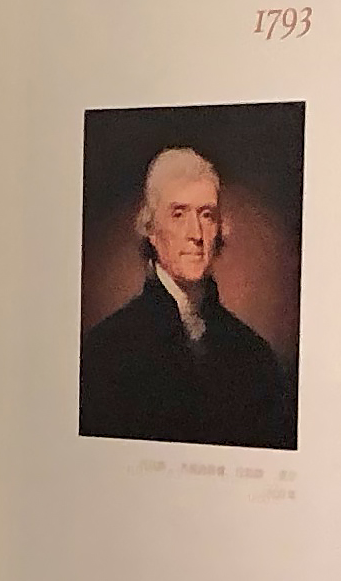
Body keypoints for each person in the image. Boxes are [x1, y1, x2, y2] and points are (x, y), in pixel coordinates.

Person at [76, 145, 292, 449]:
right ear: (151, 229)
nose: (196, 233)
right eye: (178, 214)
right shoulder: (107, 351)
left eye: (207, 215)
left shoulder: (255, 357)